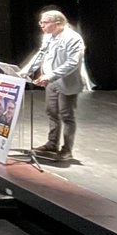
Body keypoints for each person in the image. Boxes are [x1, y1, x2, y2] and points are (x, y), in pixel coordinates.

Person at [25, 9, 86, 162]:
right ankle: (52, 144)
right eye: (41, 22)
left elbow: (72, 63)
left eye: (45, 22)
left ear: (58, 23)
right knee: (52, 112)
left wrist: (50, 75)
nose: (41, 25)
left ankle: (67, 150)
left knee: (66, 115)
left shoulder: (73, 38)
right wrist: (25, 71)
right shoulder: (47, 36)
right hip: (51, 81)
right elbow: (40, 55)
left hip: (66, 82)